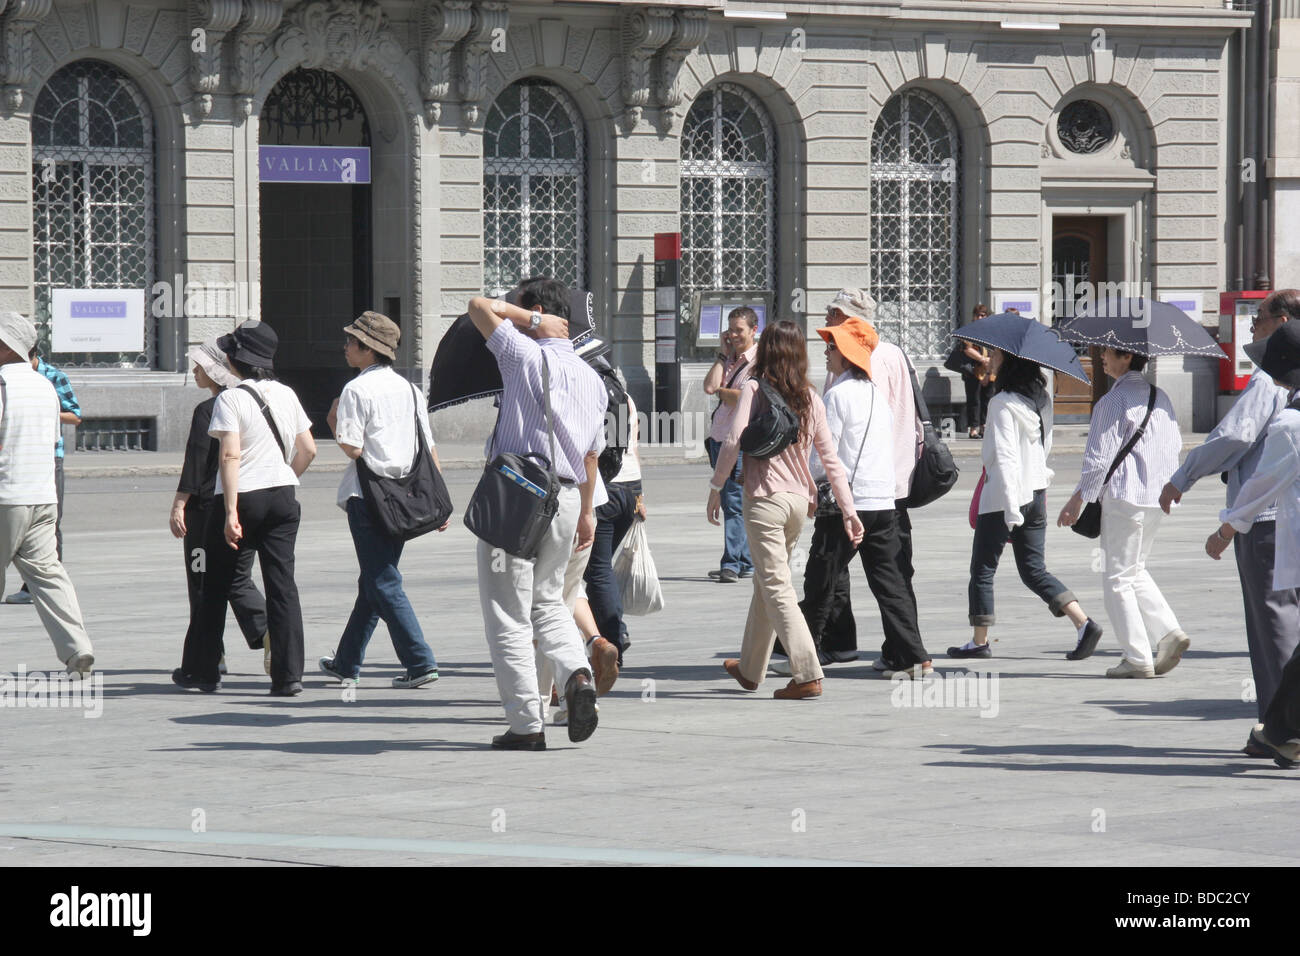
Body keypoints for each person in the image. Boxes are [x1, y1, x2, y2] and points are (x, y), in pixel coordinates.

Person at [466, 278, 607, 751]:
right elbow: (591, 457)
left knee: (509, 614)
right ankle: (577, 675)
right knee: (549, 602)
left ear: (538, 311)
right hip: (566, 498)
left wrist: (526, 320)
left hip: (517, 497)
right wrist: (587, 512)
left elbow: (477, 306)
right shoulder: (592, 378)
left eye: (520, 311)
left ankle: (526, 726)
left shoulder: (522, 354)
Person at [1161, 290, 1299, 749]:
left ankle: (1281, 727)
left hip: (1267, 521)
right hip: (1279, 517)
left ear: (1281, 321)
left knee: (1273, 622)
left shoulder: (1270, 381)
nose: (1253, 325)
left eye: (1259, 318)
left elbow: (1236, 437)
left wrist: (1185, 476)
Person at [709, 319, 864, 700]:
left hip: (763, 499)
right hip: (798, 503)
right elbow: (830, 459)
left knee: (776, 585)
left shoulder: (754, 388)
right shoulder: (811, 396)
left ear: (765, 351)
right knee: (767, 580)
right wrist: (848, 508)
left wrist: (716, 486)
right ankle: (749, 669)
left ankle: (807, 673)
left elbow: (731, 441)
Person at [174, 320, 316, 695]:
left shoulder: (230, 398)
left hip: (241, 497)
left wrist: (233, 512)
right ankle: (289, 677)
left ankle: (203, 670)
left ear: (235, 359)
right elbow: (309, 449)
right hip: (283, 495)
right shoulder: (286, 394)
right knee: (282, 585)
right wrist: (285, 476)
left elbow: (230, 454)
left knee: (215, 585)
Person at [791, 316, 932, 680]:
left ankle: (804, 656)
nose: (826, 352)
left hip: (846, 503)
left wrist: (809, 487)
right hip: (881, 502)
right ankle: (915, 658)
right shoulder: (876, 395)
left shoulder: (836, 395)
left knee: (821, 578)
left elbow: (825, 453)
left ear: (847, 354)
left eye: (832, 346)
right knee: (890, 582)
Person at [318, 312, 447, 689]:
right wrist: (438, 499)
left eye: (351, 341)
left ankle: (420, 662)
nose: (345, 347)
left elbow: (353, 448)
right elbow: (428, 445)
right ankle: (346, 662)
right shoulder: (410, 390)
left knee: (383, 582)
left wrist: (333, 418)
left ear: (367, 349)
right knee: (374, 581)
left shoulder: (356, 391)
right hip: (404, 497)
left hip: (369, 498)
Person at [951, 348, 1101, 659]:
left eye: (995, 355)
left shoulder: (1001, 403)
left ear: (1008, 362)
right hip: (1036, 491)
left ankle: (979, 642)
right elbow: (1043, 447)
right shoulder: (1040, 400)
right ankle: (1083, 623)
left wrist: (1009, 508)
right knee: (1034, 569)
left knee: (982, 569)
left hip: (1004, 497)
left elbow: (1005, 457)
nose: (990, 358)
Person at [1206, 319, 1300, 767]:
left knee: (1287, 637)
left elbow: (1262, 485)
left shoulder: (1289, 424)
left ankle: (1283, 731)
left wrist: (1225, 529)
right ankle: (1280, 730)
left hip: (1289, 539)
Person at [1058, 348, 1186, 678]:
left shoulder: (1112, 402)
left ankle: (1137, 656)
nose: (1101, 357)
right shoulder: (1161, 397)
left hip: (1124, 496)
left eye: (1108, 352)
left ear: (1126, 358)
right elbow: (1174, 446)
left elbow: (1098, 459)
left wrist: (1078, 498)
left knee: (1117, 577)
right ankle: (1169, 633)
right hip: (1157, 496)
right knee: (1134, 568)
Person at [813, 288, 921, 661]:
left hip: (866, 485)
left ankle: (888, 648)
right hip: (879, 484)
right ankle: (888, 649)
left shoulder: (875, 358)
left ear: (851, 321)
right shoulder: (871, 360)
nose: (828, 318)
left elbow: (840, 440)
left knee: (832, 573)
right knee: (883, 575)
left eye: (834, 313)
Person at [0, 312, 94, 675]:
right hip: (43, 495)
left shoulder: (2, 384)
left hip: (7, 496)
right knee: (49, 575)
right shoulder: (44, 386)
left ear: (8, 347)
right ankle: (77, 648)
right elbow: (51, 438)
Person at [169, 339, 269, 676]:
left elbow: (196, 463)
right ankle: (268, 631)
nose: (195, 371)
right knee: (238, 577)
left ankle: (210, 655)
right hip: (245, 502)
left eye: (199, 366)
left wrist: (180, 504)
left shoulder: (208, 410)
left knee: (201, 580)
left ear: (214, 371)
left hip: (204, 512)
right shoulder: (253, 402)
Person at [4, 348, 81, 604]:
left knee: (50, 521)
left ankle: (35, 586)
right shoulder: (6, 378)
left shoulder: (52, 377)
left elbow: (75, 415)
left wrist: (41, 410)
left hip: (49, 455)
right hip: (17, 455)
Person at [582, 373, 644, 668]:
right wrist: (641, 495)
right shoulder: (627, 400)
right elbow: (634, 447)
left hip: (605, 489)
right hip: (630, 489)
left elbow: (590, 452)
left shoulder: (591, 398)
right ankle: (601, 634)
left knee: (597, 569)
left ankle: (613, 637)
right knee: (594, 569)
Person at [702, 308, 758, 582]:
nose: (734, 335)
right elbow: (710, 387)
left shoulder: (758, 361)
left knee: (734, 502)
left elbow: (745, 398)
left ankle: (732, 563)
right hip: (718, 437)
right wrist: (723, 355)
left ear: (753, 330)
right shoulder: (731, 360)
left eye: (740, 330)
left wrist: (726, 393)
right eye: (731, 330)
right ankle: (746, 561)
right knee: (731, 501)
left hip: (738, 440)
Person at [954, 303, 993, 439]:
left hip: (990, 372)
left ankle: (984, 426)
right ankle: (973, 429)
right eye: (978, 315)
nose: (980, 318)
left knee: (987, 400)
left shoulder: (992, 331)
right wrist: (983, 359)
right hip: (973, 371)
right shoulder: (969, 330)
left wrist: (990, 363)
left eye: (983, 315)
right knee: (974, 400)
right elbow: (966, 348)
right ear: (974, 317)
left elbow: (996, 350)